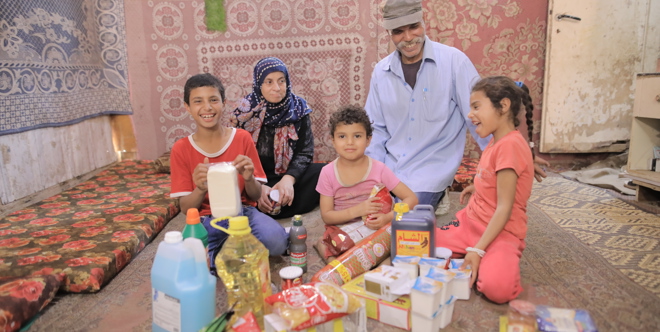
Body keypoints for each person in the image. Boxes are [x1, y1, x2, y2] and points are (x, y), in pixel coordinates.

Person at [365, 0, 549, 211]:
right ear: (389, 33)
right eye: (398, 32)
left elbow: (483, 117)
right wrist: (373, 178)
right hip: (390, 167)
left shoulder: (454, 62)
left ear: (423, 22)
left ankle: (436, 195)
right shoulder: (381, 72)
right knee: (364, 214)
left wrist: (516, 155)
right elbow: (375, 129)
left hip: (429, 171)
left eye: (413, 27)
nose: (408, 38)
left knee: (404, 222)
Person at [170, 73, 288, 271]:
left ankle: (244, 248)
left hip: (244, 213)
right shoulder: (181, 149)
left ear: (223, 103)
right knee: (194, 261)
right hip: (206, 220)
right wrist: (199, 188)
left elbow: (256, 195)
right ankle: (239, 252)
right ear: (187, 107)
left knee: (276, 242)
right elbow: (185, 208)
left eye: (213, 100)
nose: (207, 107)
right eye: (198, 102)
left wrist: (249, 178)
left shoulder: (241, 138)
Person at [436, 76, 536, 304]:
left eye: (476, 107)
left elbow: (504, 207)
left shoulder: (510, 145)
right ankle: (472, 259)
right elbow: (494, 177)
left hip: (501, 233)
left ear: (503, 106)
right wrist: (477, 186)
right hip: (471, 224)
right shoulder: (496, 139)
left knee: (497, 289)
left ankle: (482, 259)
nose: (470, 114)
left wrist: (479, 250)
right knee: (418, 243)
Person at [315, 105, 418, 259]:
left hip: (377, 224)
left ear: (368, 140)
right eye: (342, 136)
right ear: (333, 140)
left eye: (357, 136)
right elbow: (327, 216)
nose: (350, 142)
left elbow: (412, 199)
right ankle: (324, 248)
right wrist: (358, 210)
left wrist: (387, 218)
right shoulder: (327, 173)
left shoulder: (379, 169)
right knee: (339, 250)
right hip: (342, 229)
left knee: (399, 246)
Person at [232, 57, 324, 219]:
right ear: (258, 84)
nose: (277, 88)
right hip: (254, 178)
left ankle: (277, 200)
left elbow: (305, 152)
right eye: (269, 82)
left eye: (281, 81)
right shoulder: (244, 112)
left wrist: (288, 180)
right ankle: (268, 202)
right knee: (231, 182)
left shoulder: (299, 108)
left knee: (324, 171)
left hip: (287, 175)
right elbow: (236, 157)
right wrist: (257, 187)